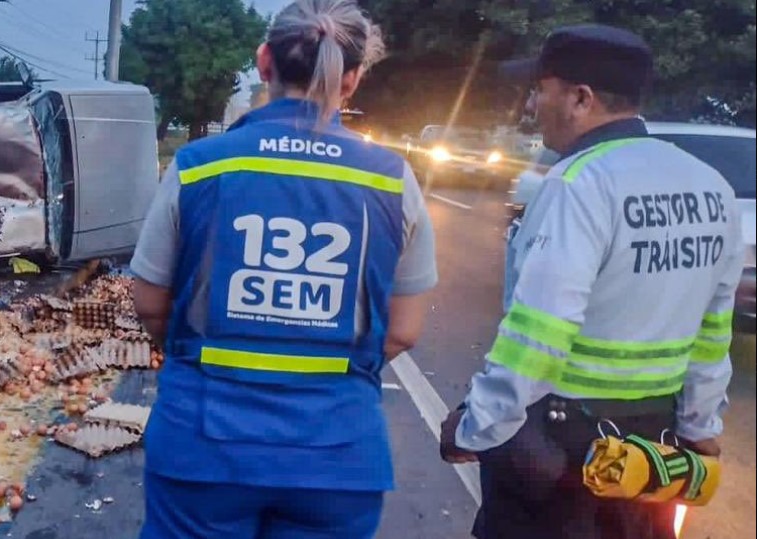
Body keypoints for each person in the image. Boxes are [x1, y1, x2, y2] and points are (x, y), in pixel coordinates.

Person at [129, 1, 438, 537]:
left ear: (263, 61)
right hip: (338, 456)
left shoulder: (200, 166)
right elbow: (405, 329)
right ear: (354, 79)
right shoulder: (393, 179)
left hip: (203, 447)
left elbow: (150, 304)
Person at [439, 23, 744, 539]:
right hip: (651, 453)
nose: (531, 107)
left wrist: (475, 427)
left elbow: (539, 332)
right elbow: (714, 330)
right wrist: (700, 428)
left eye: (540, 90)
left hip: (561, 450)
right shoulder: (710, 186)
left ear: (580, 98)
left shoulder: (578, 184)